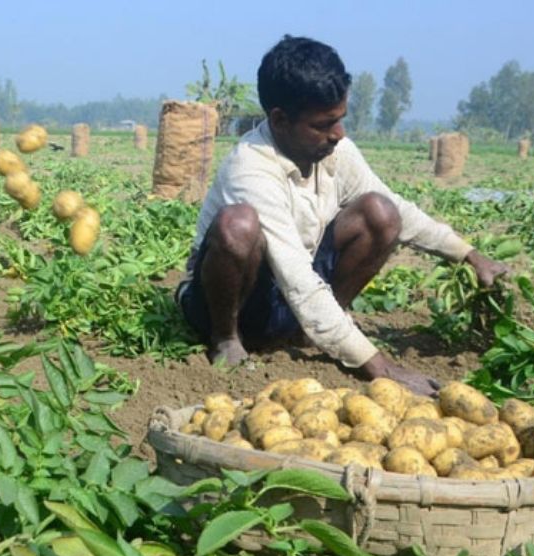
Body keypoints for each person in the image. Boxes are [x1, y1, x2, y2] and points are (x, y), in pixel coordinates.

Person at [176, 36, 508, 396]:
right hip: (229, 300)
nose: (338, 134)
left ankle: (311, 332)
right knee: (237, 226)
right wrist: (381, 368)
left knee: (380, 212)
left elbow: (398, 209)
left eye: (340, 119)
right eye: (323, 124)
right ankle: (226, 339)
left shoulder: (335, 151)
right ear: (280, 119)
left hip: (286, 297)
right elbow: (297, 279)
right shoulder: (251, 168)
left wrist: (468, 253)